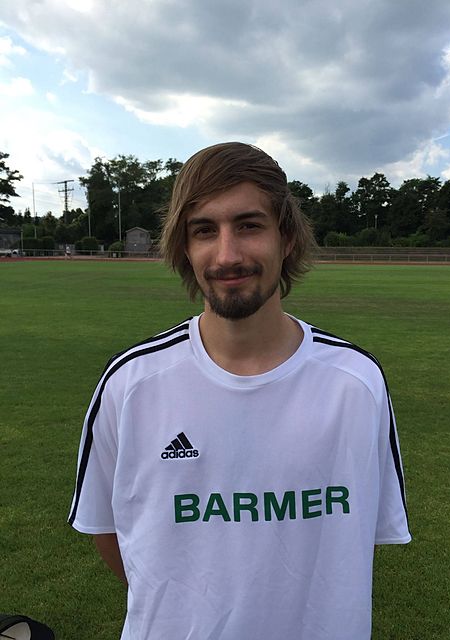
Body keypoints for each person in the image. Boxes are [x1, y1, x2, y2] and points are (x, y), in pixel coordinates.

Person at [68, 142, 411, 640]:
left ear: (286, 238)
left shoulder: (356, 383)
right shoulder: (130, 384)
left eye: (249, 226)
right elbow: (108, 532)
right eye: (204, 230)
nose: (227, 255)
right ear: (185, 248)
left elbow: (357, 537)